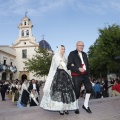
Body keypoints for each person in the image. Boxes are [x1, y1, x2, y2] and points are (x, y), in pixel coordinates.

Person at [40, 45, 78, 115]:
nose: (63, 50)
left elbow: (68, 65)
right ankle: (61, 109)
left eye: (64, 49)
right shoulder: (56, 56)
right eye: (62, 49)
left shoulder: (65, 57)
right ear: (59, 50)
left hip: (66, 76)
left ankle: (66, 108)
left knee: (67, 92)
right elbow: (61, 64)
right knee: (60, 93)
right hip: (59, 75)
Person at [67, 41, 93, 114]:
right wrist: (78, 68)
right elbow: (69, 66)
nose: (81, 46)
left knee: (89, 88)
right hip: (76, 75)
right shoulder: (72, 54)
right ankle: (76, 106)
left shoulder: (84, 54)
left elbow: (87, 65)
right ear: (76, 46)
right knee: (77, 91)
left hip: (85, 75)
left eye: (83, 45)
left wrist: (88, 75)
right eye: (80, 45)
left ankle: (85, 105)